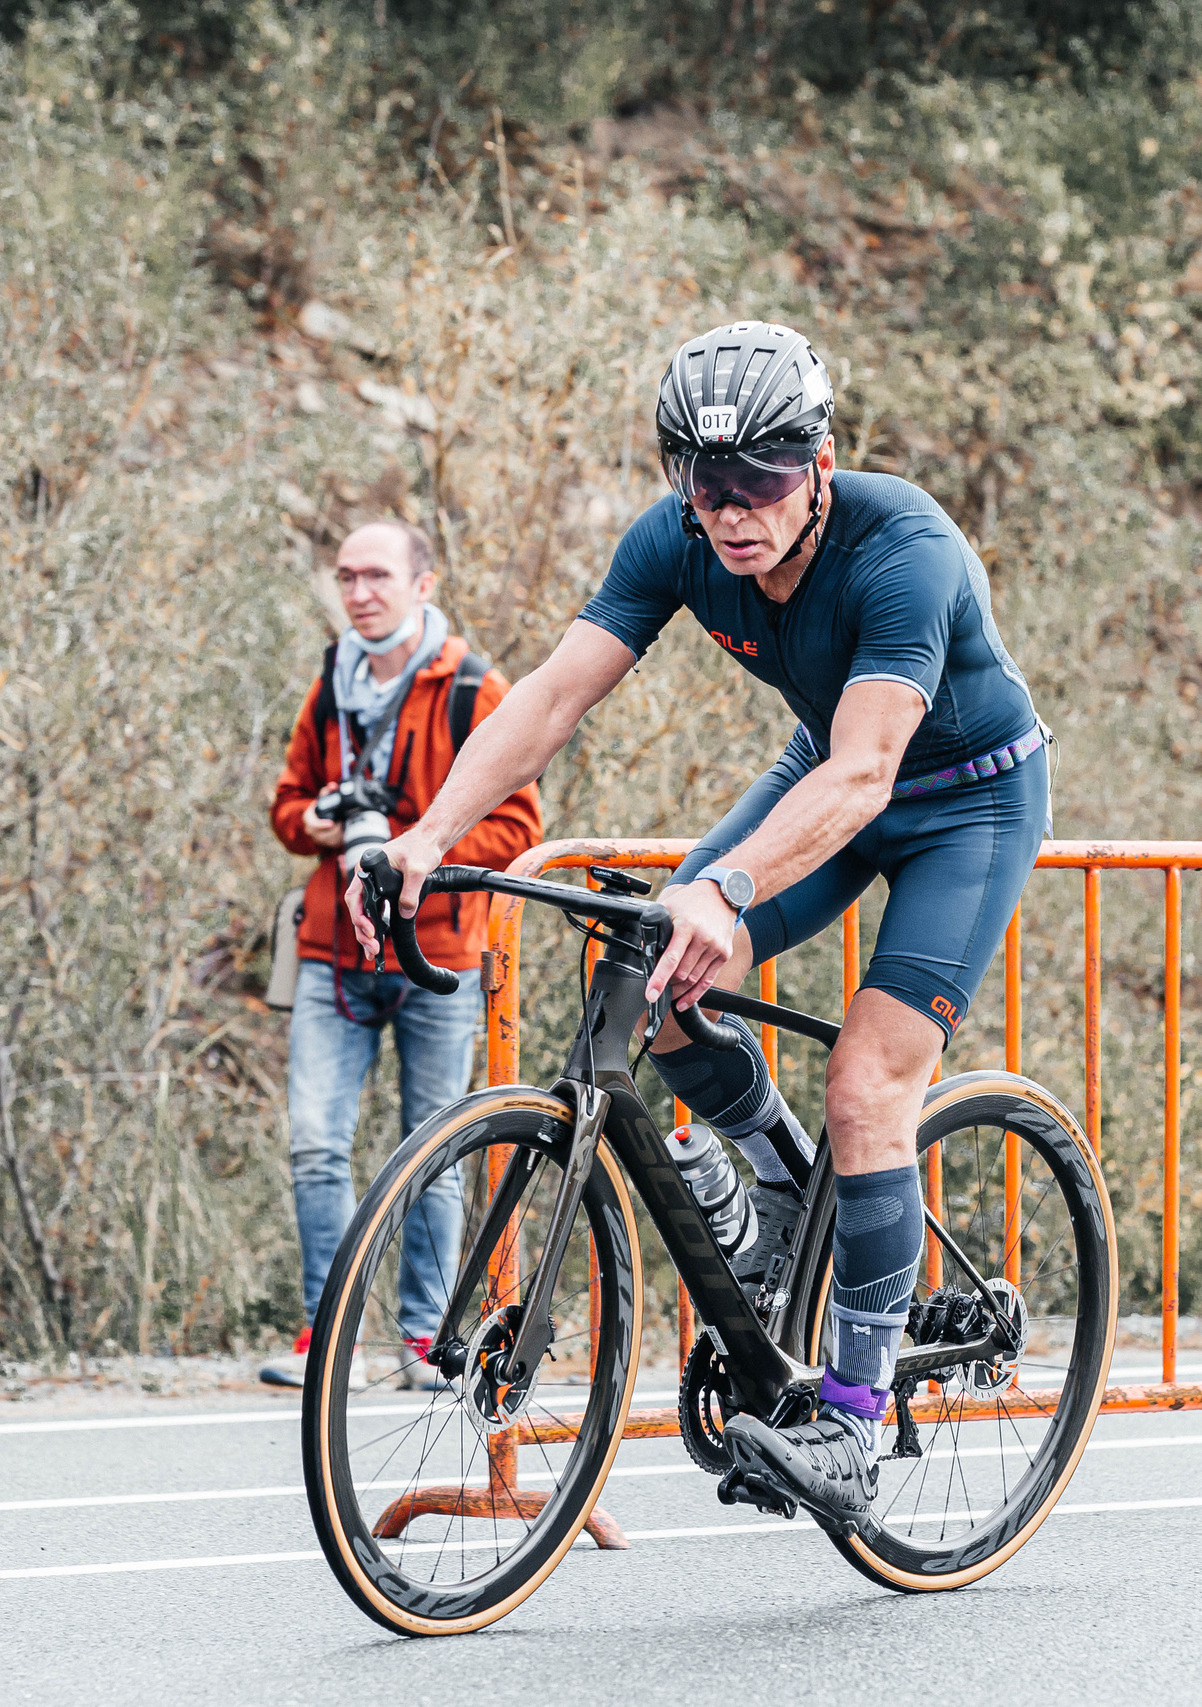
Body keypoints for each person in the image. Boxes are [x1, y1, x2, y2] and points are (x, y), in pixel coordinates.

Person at [350, 321, 1050, 1533]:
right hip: (821, 772)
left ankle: (851, 1419)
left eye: (760, 482)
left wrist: (722, 887)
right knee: (656, 974)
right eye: (705, 483)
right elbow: (551, 696)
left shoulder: (906, 550)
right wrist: (427, 836)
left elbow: (868, 772)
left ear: (819, 462)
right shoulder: (676, 537)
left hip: (963, 804)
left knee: (865, 1088)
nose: (732, 512)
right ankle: (784, 1188)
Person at [260, 521, 542, 1390]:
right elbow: (286, 805)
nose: (359, 593)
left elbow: (519, 826)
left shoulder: (473, 688)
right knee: (316, 1144)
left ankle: (425, 1340)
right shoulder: (330, 682)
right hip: (332, 949)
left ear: (424, 584)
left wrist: (417, 843)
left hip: (437, 952)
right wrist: (317, 823)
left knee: (435, 1150)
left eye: (377, 575)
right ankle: (329, 1339)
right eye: (347, 576)